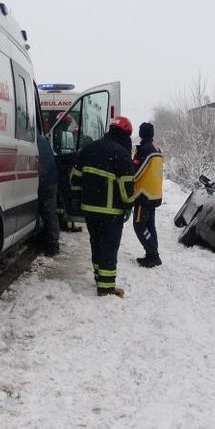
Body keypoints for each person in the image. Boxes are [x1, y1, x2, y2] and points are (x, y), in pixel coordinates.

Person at [69, 116, 135, 297]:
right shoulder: (121, 154)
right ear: (126, 134)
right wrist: (129, 205)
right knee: (109, 247)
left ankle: (99, 277)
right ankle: (106, 288)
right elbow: (126, 187)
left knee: (96, 244)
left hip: (89, 210)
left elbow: (74, 180)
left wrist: (83, 195)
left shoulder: (89, 149)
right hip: (111, 212)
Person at [132, 122, 164, 267]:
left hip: (143, 194)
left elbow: (137, 172)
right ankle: (152, 253)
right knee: (150, 226)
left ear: (141, 134)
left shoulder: (145, 149)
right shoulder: (157, 148)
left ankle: (153, 255)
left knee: (139, 225)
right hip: (154, 194)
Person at [36, 133, 60, 256]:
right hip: (47, 181)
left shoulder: (35, 141)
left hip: (47, 183)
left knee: (49, 212)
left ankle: (53, 244)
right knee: (48, 212)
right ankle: (49, 241)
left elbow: (42, 166)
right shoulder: (41, 140)